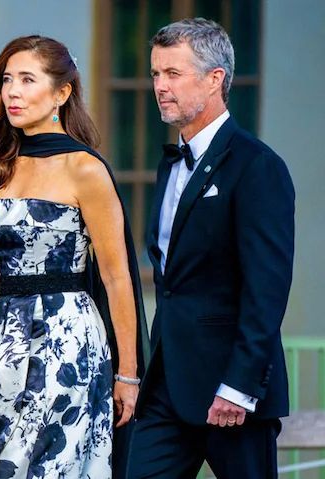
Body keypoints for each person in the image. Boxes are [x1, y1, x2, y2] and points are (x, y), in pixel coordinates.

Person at [0, 35, 149, 478]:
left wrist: (128, 374)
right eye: (7, 80)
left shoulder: (86, 169)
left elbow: (118, 278)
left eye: (27, 79)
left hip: (67, 344)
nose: (12, 91)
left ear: (62, 93)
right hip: (4, 345)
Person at [127, 18, 294, 479]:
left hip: (234, 393)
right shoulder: (170, 167)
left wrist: (240, 386)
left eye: (173, 74)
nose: (160, 86)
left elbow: (268, 288)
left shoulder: (257, 166)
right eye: (156, 74)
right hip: (166, 386)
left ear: (215, 78)